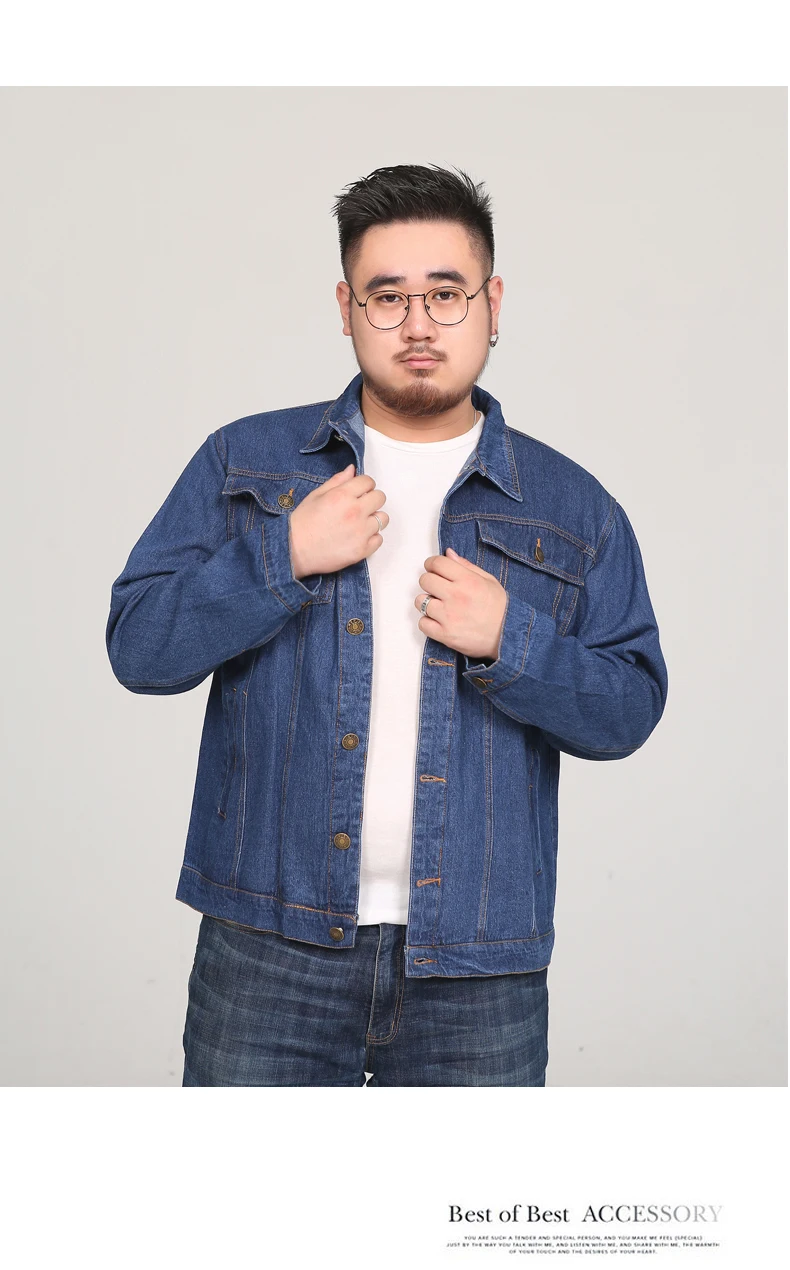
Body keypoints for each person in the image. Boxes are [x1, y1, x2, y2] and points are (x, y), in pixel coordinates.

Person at [106, 163, 668, 1086]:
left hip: (478, 963)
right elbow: (139, 647)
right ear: (346, 307)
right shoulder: (245, 464)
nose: (417, 325)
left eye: (446, 294)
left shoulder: (573, 507)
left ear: (492, 304)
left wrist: (513, 641)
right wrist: (281, 555)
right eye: (388, 296)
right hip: (268, 945)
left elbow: (629, 709)